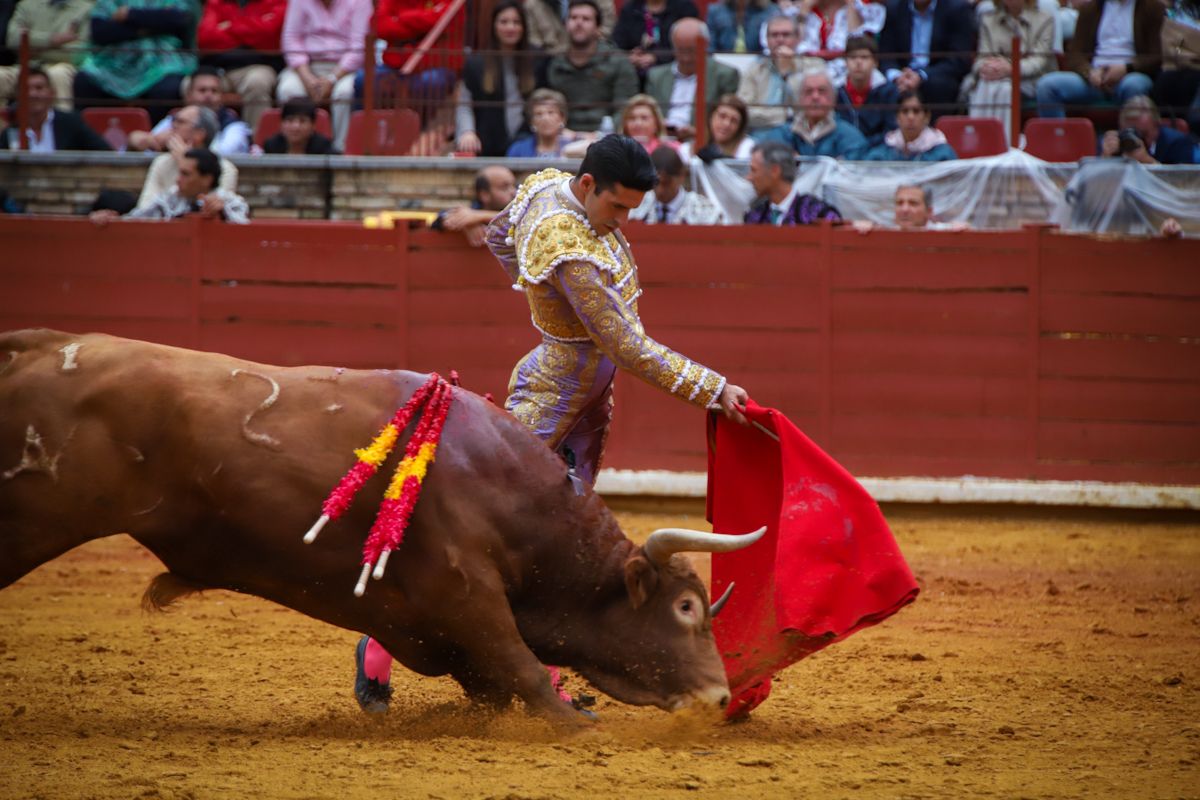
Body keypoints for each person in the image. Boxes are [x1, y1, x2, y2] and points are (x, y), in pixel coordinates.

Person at [353, 135, 751, 715]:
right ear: (588, 185)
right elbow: (627, 346)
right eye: (617, 208)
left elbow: (496, 236)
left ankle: (549, 677)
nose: (621, 224)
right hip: (557, 392)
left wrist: (539, 295)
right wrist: (711, 389)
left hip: (580, 390)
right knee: (485, 531)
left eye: (632, 212)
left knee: (561, 543)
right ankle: (378, 650)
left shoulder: (544, 185)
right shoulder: (567, 248)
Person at [72, 0, 198, 124]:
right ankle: (90, 140)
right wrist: (150, 27)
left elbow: (179, 19)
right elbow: (100, 31)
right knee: (84, 81)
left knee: (167, 89)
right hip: (114, 62)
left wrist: (130, 14)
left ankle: (153, 141)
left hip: (162, 62)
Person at [1035, 0, 1164, 118]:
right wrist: (1089, 72)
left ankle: (1129, 140)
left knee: (1134, 85)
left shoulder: (1151, 8)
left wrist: (1126, 68)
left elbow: (1155, 57)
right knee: (1047, 86)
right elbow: (1075, 55)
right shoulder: (1090, 9)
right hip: (1094, 77)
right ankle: (1058, 140)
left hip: (1130, 74)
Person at [276, 0, 372, 151]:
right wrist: (307, 78)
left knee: (345, 93)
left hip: (345, 68)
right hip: (306, 66)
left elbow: (359, 47)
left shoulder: (360, 2)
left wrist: (332, 79)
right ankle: (293, 151)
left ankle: (340, 151)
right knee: (288, 90)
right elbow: (290, 39)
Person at [455, 0, 547, 157]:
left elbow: (546, 99)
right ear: (494, 26)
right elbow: (465, 103)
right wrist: (467, 132)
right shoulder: (476, 63)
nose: (510, 27)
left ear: (524, 26)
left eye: (516, 22)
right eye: (504, 22)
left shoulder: (538, 59)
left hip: (527, 147)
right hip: (487, 146)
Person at [964, 0, 1055, 142]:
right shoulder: (988, 19)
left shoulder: (1045, 19)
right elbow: (982, 57)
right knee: (985, 84)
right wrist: (987, 66)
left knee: (1006, 88)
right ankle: (980, 142)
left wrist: (1011, 68)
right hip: (993, 77)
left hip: (1030, 79)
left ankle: (1003, 144)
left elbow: (1039, 62)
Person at [546, 0, 639, 133]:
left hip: (607, 136)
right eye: (573, 18)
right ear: (565, 24)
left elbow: (625, 107)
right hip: (563, 135)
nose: (579, 23)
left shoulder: (619, 62)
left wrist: (601, 135)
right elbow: (548, 105)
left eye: (586, 19)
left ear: (597, 27)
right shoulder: (554, 64)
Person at [91, 147, 250, 223]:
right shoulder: (169, 199)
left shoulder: (231, 202)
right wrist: (110, 220)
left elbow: (245, 234)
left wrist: (222, 214)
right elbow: (137, 221)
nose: (178, 179)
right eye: (180, 173)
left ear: (207, 179)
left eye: (186, 174)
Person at [355, 0, 456, 119]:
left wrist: (401, 18)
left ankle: (420, 132)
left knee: (430, 83)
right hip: (394, 66)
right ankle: (368, 132)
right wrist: (421, 25)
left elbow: (445, 20)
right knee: (363, 79)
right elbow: (377, 25)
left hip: (432, 66)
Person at [195, 0, 286, 131]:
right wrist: (254, 26)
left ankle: (256, 142)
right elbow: (205, 39)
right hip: (220, 69)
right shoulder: (216, 2)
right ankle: (199, 138)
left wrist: (229, 25)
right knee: (190, 84)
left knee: (257, 82)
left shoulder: (276, 2)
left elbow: (269, 35)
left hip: (258, 66)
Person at [645, 18, 740, 141]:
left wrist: (697, 132)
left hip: (702, 143)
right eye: (680, 50)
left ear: (705, 46)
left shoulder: (724, 75)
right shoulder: (656, 76)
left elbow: (729, 121)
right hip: (660, 142)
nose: (686, 58)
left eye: (691, 51)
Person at [876, 0, 977, 114]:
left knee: (939, 87)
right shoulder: (894, 8)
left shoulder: (957, 8)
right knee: (886, 90)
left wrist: (921, 76)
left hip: (937, 75)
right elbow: (886, 55)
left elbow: (959, 59)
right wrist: (897, 76)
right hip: (902, 75)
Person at [128, 66, 253, 156]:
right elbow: (149, 147)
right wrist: (136, 142)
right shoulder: (173, 120)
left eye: (214, 91)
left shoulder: (234, 126)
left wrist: (182, 145)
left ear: (222, 97)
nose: (208, 96)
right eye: (202, 90)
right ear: (188, 95)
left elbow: (223, 155)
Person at [136, 105, 239, 209]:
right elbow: (145, 208)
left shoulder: (225, 168)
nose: (172, 127)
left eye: (181, 122)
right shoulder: (161, 163)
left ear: (199, 134)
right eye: (174, 121)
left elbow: (211, 209)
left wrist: (184, 162)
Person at [753, 69, 869, 158]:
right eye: (808, 92)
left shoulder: (851, 137)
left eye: (822, 91)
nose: (815, 97)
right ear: (800, 99)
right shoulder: (781, 134)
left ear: (833, 98)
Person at [737, 15, 825, 133]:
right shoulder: (755, 69)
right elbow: (743, 110)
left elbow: (811, 111)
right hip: (762, 133)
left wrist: (787, 74)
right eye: (774, 35)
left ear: (798, 38)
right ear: (767, 41)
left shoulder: (815, 66)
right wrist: (783, 116)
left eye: (786, 34)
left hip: (803, 134)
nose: (780, 40)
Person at [0, 0, 92, 111]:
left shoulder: (87, 9)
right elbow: (13, 41)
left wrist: (31, 46)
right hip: (25, 66)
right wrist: (53, 40)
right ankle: (4, 126)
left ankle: (61, 125)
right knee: (1, 75)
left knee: (58, 74)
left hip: (61, 66)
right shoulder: (26, 5)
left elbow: (76, 54)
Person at [1, 65, 111, 150]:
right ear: (17, 96)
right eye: (26, 89)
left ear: (52, 93)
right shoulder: (10, 129)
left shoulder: (71, 123)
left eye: (39, 88)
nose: (33, 94)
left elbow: (105, 154)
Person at [743, 140, 843, 224]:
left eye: (754, 170)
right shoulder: (754, 215)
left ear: (775, 171)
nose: (749, 177)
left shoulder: (817, 213)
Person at [794, 0, 888, 86]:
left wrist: (851, 6)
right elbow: (797, 46)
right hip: (810, 68)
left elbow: (856, 44)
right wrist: (804, 10)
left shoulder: (859, 8)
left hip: (846, 68)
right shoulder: (803, 10)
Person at [629, 144, 724, 223]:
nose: (661, 190)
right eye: (656, 183)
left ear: (681, 176)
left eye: (667, 183)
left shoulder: (705, 210)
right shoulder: (637, 205)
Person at [430, 165, 517, 247]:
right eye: (504, 187)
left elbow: (520, 219)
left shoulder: (475, 215)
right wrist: (465, 223)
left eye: (514, 185)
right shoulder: (471, 216)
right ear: (484, 195)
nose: (513, 192)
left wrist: (480, 216)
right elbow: (441, 219)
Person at [836, 35, 899, 146]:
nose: (858, 62)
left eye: (864, 57)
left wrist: (864, 146)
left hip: (877, 154)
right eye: (853, 57)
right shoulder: (835, 92)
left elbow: (891, 131)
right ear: (845, 62)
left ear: (875, 62)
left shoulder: (889, 92)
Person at [863, 87, 958, 160]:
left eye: (916, 111)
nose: (910, 117)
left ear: (927, 117)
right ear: (897, 117)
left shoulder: (944, 155)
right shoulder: (881, 155)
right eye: (905, 111)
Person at [1100, 94, 1196, 164]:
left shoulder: (1177, 143)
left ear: (1157, 124)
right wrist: (1105, 160)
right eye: (1130, 133)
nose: (1137, 140)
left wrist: (1147, 161)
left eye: (1143, 134)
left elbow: (1184, 184)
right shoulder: (1115, 143)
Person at [612, 0, 701, 74]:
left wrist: (656, 58)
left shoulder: (684, 8)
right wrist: (631, 56)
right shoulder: (630, 8)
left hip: (672, 70)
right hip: (634, 72)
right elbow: (618, 43)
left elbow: (690, 45)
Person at [851, 183, 970, 231]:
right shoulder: (882, 232)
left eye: (913, 203)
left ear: (929, 211)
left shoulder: (945, 232)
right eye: (899, 203)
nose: (904, 209)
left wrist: (965, 230)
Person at [681, 93, 756, 159]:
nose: (726, 124)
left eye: (734, 121)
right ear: (710, 117)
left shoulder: (747, 148)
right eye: (722, 116)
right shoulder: (687, 149)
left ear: (740, 127)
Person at [506, 88, 576, 157]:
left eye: (551, 112)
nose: (545, 118)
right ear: (532, 121)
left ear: (562, 118)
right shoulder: (518, 150)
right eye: (538, 114)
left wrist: (575, 135)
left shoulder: (576, 146)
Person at [523, 0, 616, 50]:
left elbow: (606, 32)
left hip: (593, 59)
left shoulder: (602, 1)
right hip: (549, 64)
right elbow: (534, 43)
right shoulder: (533, 4)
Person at [261, 98, 340, 154]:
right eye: (290, 120)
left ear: (313, 126)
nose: (296, 127)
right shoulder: (271, 147)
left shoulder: (324, 148)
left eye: (302, 121)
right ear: (281, 124)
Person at [705, 0, 778, 54]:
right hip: (722, 66)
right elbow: (710, 48)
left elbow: (768, 49)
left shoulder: (770, 12)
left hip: (759, 66)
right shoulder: (715, 11)